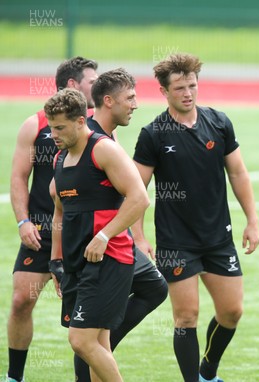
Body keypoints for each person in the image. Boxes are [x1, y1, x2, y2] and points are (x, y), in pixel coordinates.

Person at [131, 53, 259, 382]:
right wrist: (140, 237)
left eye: (192, 85)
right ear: (164, 91)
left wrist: (252, 220)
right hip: (177, 242)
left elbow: (239, 174)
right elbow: (135, 191)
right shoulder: (153, 134)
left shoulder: (219, 122)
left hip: (218, 237)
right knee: (186, 316)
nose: (188, 93)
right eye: (179, 88)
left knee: (232, 312)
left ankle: (208, 371)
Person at [68, 68, 169, 382]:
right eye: (130, 98)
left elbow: (128, 196)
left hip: (114, 242)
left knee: (153, 289)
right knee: (86, 337)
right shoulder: (90, 139)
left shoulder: (107, 135)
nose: (136, 104)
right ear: (109, 101)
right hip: (98, 246)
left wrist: (135, 236)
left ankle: (102, 345)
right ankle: (96, 353)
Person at [47, 88, 150, 381]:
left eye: (60, 127)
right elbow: (60, 211)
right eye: (51, 127)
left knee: (81, 341)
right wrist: (57, 260)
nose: (53, 133)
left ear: (81, 121)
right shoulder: (60, 158)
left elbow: (139, 198)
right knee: (99, 343)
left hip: (110, 261)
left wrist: (105, 235)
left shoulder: (103, 149)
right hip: (78, 263)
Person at [6, 56, 97, 382]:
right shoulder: (35, 125)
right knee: (20, 301)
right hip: (41, 231)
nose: (97, 87)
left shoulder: (96, 127)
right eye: (91, 81)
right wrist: (23, 221)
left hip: (82, 236)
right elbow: (18, 177)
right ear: (73, 85)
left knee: (85, 319)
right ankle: (15, 376)